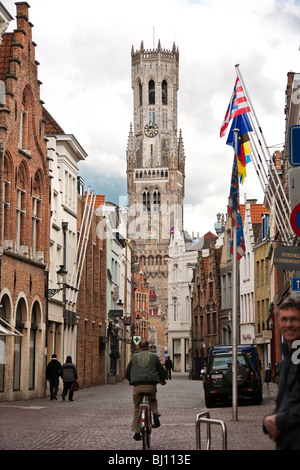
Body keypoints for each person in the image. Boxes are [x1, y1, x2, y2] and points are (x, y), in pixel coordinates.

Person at [263, 297, 300, 450]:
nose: (288, 325)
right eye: (284, 319)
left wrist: (278, 421)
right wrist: (267, 421)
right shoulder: (288, 358)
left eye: (294, 319)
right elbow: (285, 402)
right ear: (278, 323)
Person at [126, 339, 167, 441]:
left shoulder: (134, 357)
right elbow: (161, 370)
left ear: (138, 347)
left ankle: (136, 432)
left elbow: (128, 371)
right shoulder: (153, 356)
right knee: (152, 400)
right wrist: (162, 380)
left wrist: (130, 380)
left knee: (136, 407)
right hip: (151, 385)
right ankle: (155, 414)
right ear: (148, 347)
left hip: (137, 386)